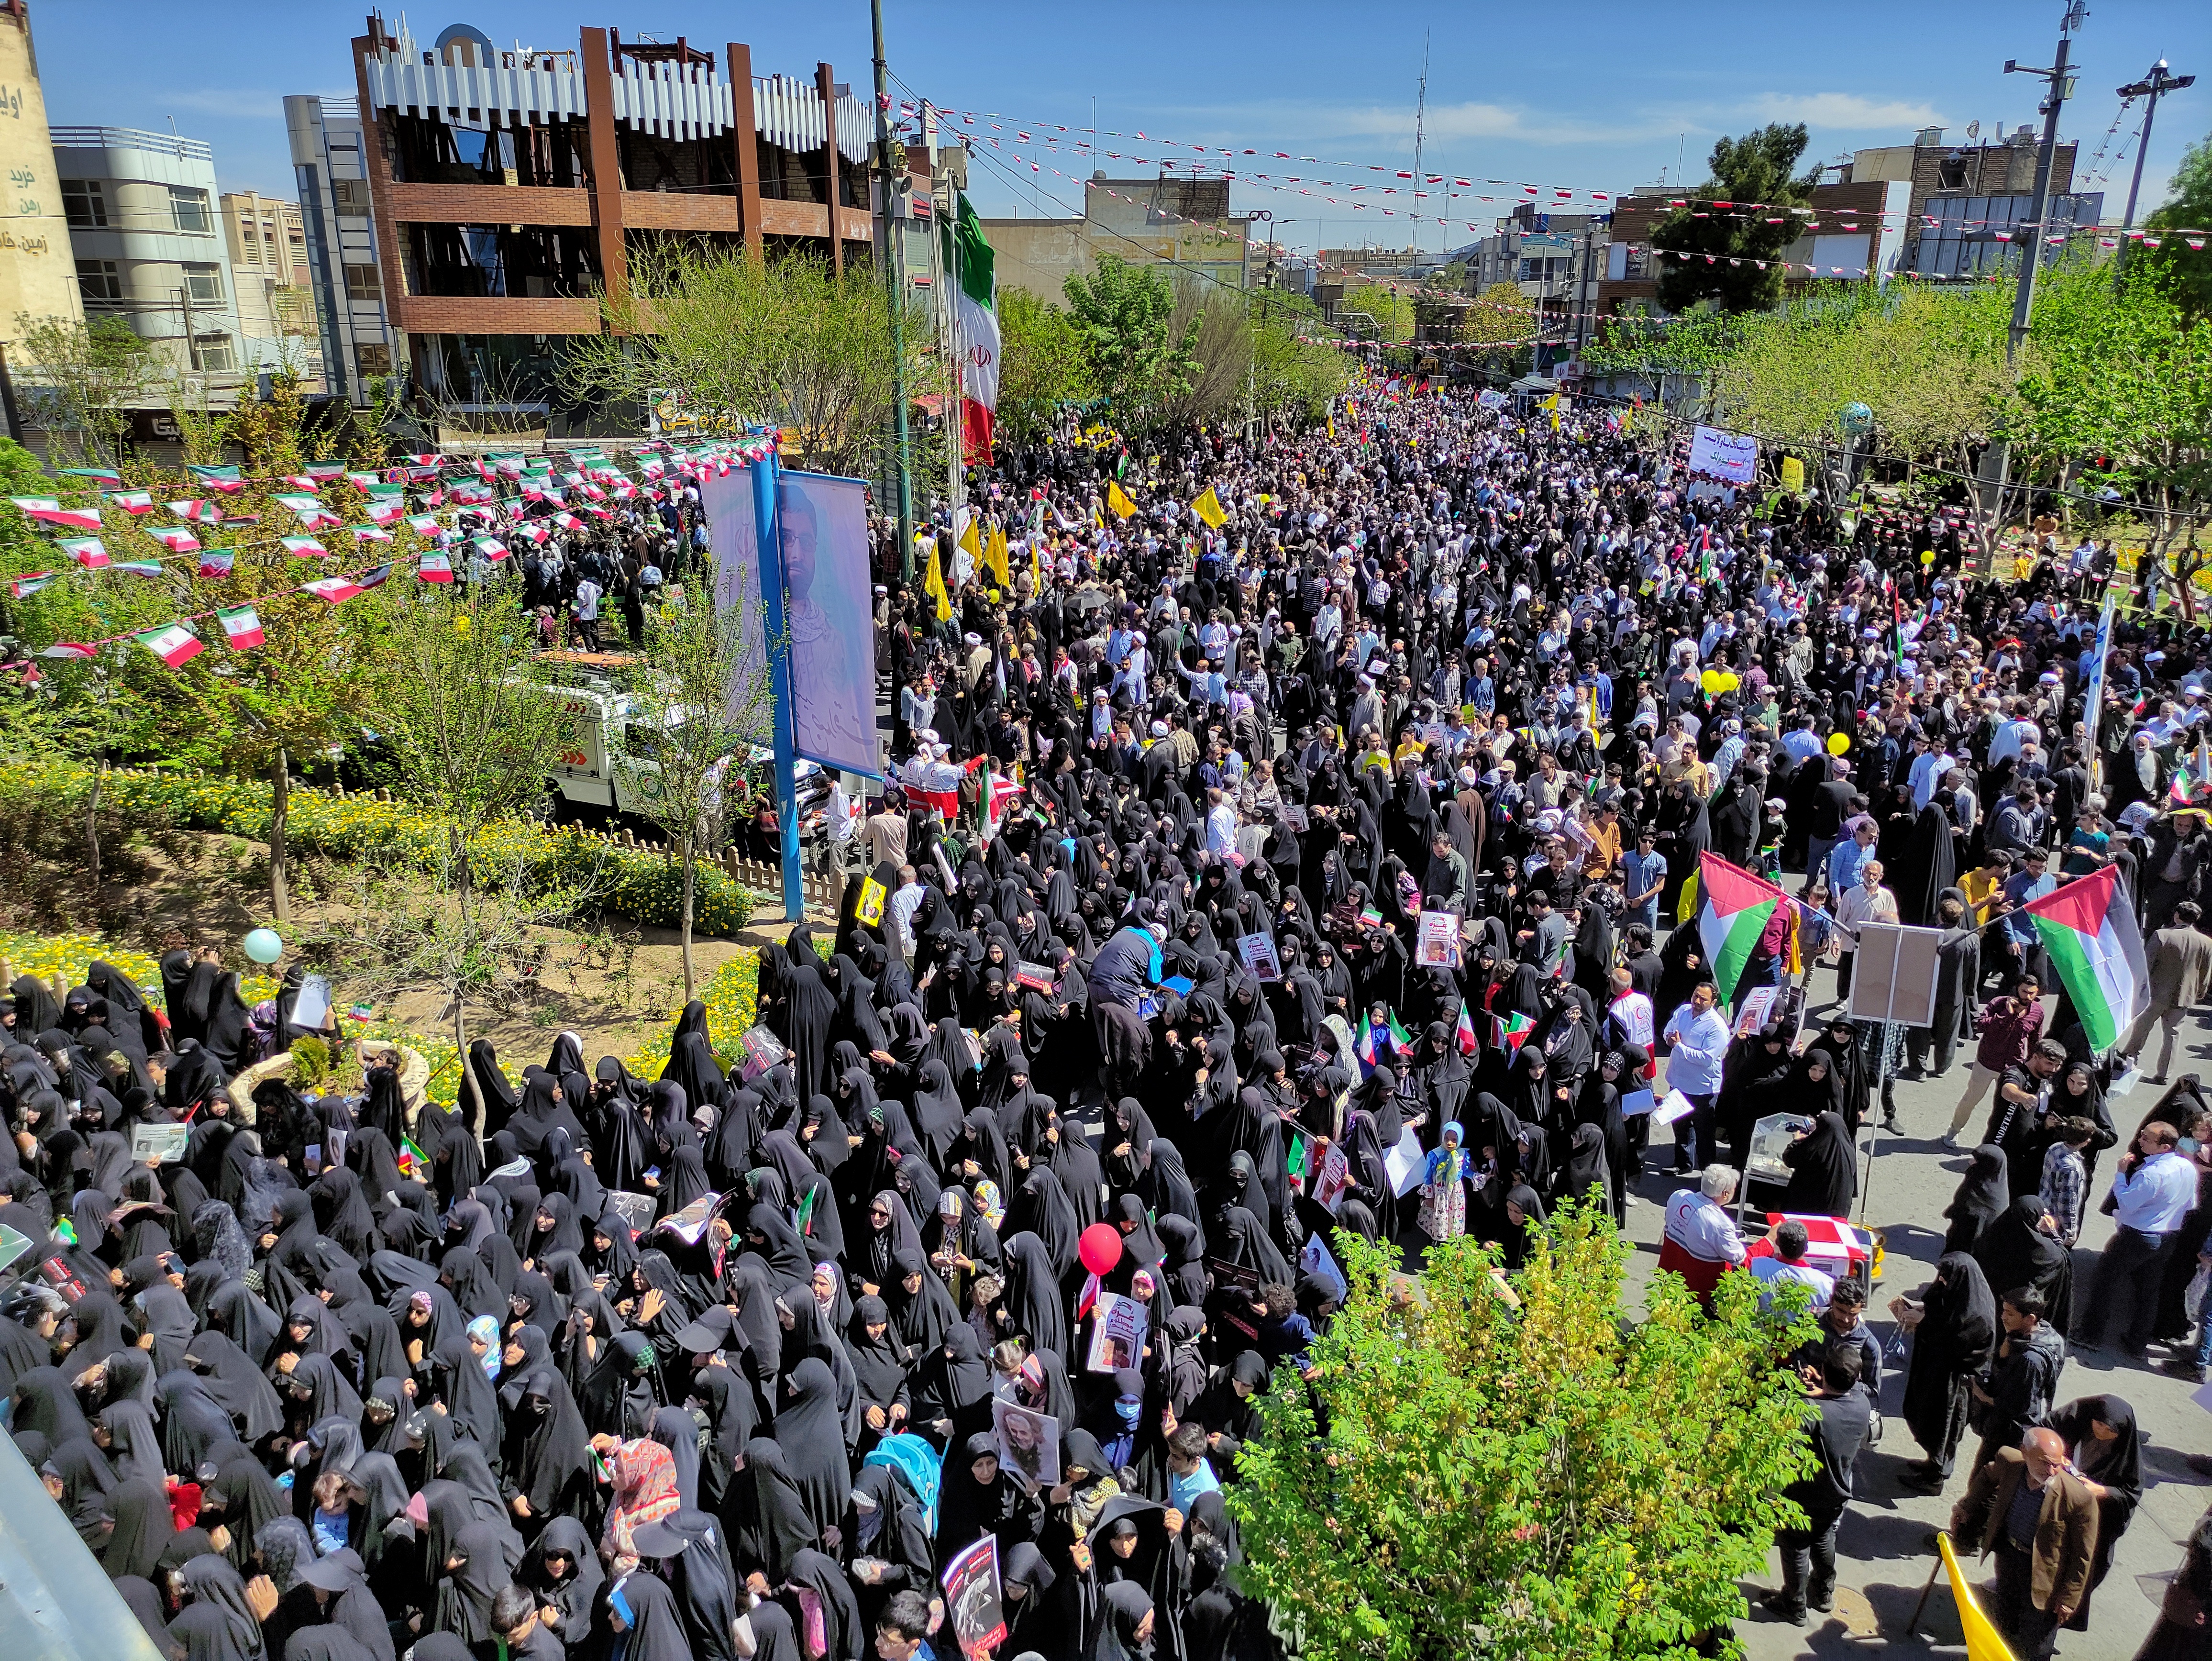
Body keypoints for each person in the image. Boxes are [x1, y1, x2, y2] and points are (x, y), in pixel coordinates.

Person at [1950, 1427, 2100, 1661]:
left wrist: (2069, 1600)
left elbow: (2083, 1555)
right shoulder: (2011, 1462)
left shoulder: (2080, 1499)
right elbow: (1989, 1474)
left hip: (2046, 1577)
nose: (2051, 1471)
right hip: (2009, 1557)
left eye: (2057, 1465)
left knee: (2037, 1642)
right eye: (2044, 1463)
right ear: (2024, 1453)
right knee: (2005, 1619)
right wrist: (1966, 1505)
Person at [1760, 1342, 1869, 1626]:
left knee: (1796, 1546)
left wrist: (1801, 1392)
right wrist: (1824, 1387)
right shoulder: (1861, 1403)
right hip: (1836, 1493)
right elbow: (1841, 1395)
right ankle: (1823, 1592)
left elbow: (1783, 1436)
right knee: (1823, 1537)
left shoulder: (1810, 1412)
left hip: (1802, 1495)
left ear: (1822, 1371)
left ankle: (1794, 1604)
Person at [2075, 1119, 2199, 1358]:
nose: (2140, 1141)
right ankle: (2137, 1344)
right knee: (2149, 1291)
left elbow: (2127, 1203)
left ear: (2164, 1147)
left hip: (2139, 1237)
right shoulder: (2186, 1168)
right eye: (2142, 1135)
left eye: (2147, 1139)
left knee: (2105, 1280)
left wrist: (2121, 1175)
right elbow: (2190, 1204)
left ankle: (2091, 1335)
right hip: (2167, 1238)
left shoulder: (2153, 1173)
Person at [1895, 1253, 1998, 1489]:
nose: (1940, 1281)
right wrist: (1920, 1309)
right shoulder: (1960, 1292)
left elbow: (1955, 1340)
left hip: (1954, 1382)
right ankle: (1932, 1463)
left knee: (1945, 1428)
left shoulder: (1977, 1314)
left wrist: (1922, 1322)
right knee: (1928, 1419)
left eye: (1945, 1278)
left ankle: (1935, 1478)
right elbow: (1942, 1309)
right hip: (1936, 1373)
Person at [1969, 1287, 2068, 1479]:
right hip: (2021, 1422)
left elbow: (2015, 1406)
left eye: (2010, 1313)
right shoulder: (2048, 1335)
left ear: (2030, 1319)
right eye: (2004, 1311)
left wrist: (1980, 1394)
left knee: (1987, 1479)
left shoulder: (2030, 1361)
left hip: (2010, 1433)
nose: (2003, 1317)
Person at [1945, 978, 2045, 1150]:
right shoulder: (1998, 1003)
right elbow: (1980, 1026)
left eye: (2032, 993)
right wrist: (2007, 1014)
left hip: (2013, 1068)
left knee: (2007, 1109)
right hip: (1986, 1063)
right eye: (2024, 992)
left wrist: (2032, 1066)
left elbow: (2035, 1040)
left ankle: (1997, 1143)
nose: (2027, 997)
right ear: (2016, 989)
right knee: (1971, 1100)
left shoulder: (2038, 1012)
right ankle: (1954, 1130)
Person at [2122, 900, 2212, 1082]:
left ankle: (2130, 1059)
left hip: (2156, 993)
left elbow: (2147, 964)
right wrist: (2200, 991)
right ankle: (2164, 1074)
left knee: (2142, 1028)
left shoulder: (2162, 935)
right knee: (2173, 1035)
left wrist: (2139, 986)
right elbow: (2206, 971)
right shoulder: (2206, 942)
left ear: (2177, 916)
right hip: (2184, 996)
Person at [1661, 983, 1730, 1174]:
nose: (1697, 1002)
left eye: (1703, 999)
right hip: (1677, 1083)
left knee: (1704, 1133)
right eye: (1695, 996)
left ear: (1714, 1002)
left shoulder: (1717, 1027)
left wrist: (1679, 1047)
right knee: (1680, 1126)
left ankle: (1708, 1173)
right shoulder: (1683, 1011)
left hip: (1702, 1089)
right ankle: (1683, 1163)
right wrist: (1669, 1038)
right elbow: (1668, 1030)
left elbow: (1706, 1059)